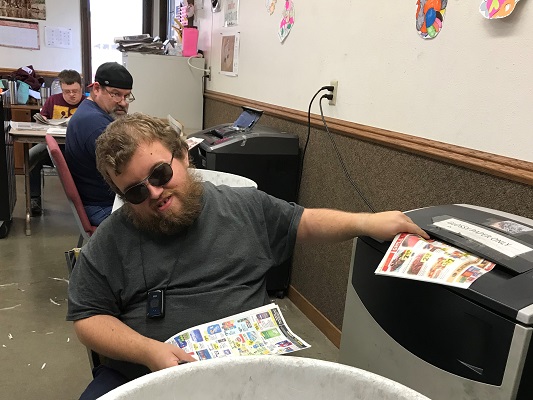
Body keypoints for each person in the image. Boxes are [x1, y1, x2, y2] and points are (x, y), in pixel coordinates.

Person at [66, 113, 429, 399]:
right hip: (144, 376)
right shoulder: (112, 240)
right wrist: (148, 351)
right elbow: (88, 317)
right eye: (135, 192)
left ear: (183, 154)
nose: (155, 193)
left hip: (249, 373)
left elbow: (304, 222)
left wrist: (367, 222)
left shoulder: (243, 207)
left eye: (160, 173)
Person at [65, 61, 134, 226]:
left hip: (96, 199)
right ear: (96, 89)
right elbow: (125, 173)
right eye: (116, 94)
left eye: (127, 96)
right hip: (102, 206)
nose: (123, 102)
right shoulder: (96, 125)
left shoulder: (90, 111)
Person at [29, 69, 86, 216]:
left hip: (77, 151)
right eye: (67, 92)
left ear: (81, 88)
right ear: (61, 89)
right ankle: (34, 199)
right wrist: (42, 121)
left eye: (75, 91)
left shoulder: (87, 104)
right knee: (31, 159)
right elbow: (41, 122)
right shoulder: (53, 101)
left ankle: (86, 201)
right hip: (53, 148)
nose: (72, 95)